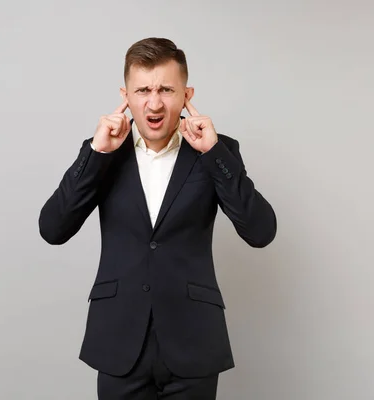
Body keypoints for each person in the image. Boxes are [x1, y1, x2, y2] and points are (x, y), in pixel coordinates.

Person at [38, 37, 277, 399]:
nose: (154, 102)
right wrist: (96, 153)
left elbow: (261, 231)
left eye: (166, 89)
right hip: (120, 343)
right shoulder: (104, 151)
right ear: (125, 96)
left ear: (186, 94)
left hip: (193, 344)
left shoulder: (217, 150)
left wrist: (213, 152)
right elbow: (52, 229)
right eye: (143, 90)